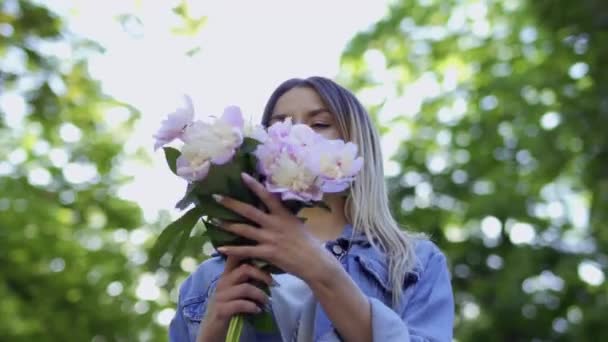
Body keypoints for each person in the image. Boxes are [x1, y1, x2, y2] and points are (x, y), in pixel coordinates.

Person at [169, 77, 454, 341]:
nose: (295, 133)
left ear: (355, 146)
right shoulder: (207, 279)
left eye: (319, 124)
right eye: (280, 123)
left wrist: (324, 272)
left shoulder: (414, 264)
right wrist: (212, 330)